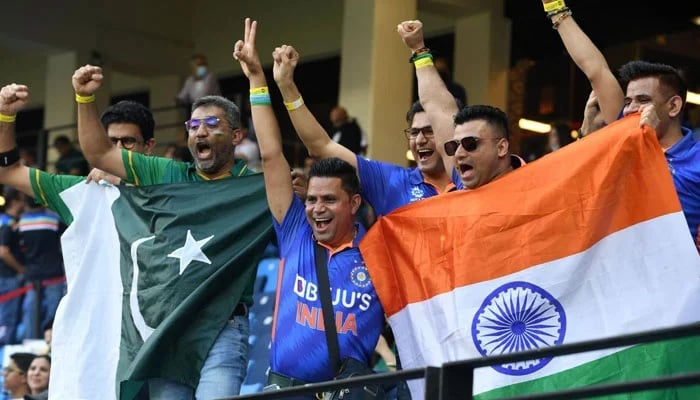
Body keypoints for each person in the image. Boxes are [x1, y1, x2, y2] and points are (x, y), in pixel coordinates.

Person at [72, 63, 259, 398]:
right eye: (193, 125)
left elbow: (277, 158)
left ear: (236, 136)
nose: (199, 132)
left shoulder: (255, 186)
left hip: (224, 326)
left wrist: (260, 81)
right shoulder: (165, 173)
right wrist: (84, 98)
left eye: (211, 124)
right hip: (169, 327)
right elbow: (98, 152)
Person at [234, 18, 384, 394]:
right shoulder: (295, 231)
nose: (316, 208)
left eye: (329, 199)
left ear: (354, 202)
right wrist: (256, 79)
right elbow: (272, 156)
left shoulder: (382, 250)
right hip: (283, 391)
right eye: (312, 199)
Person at [271, 46, 459, 218]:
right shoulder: (391, 182)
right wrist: (286, 86)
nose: (419, 140)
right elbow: (321, 146)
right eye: (414, 132)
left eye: (429, 131)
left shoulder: (476, 180)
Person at [397, 20, 523, 191]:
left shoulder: (536, 187)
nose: (459, 154)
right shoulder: (463, 186)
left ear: (501, 147)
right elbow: (437, 107)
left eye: (471, 144)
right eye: (453, 146)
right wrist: (418, 49)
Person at [618, 60, 700, 247]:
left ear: (673, 106)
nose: (631, 109)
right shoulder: (620, 153)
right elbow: (595, 71)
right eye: (628, 102)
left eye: (643, 100)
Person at [16, 200, 66, 342]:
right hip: (54, 273)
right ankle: (53, 343)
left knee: (30, 313)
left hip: (32, 273)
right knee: (55, 313)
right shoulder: (55, 220)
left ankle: (30, 343)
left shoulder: (21, 222)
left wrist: (22, 268)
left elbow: (19, 248)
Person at [0, 187, 26, 346]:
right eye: (23, 198)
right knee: (8, 318)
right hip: (8, 277)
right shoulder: (8, 223)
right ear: (16, 200)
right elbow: (3, 251)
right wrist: (21, 269)